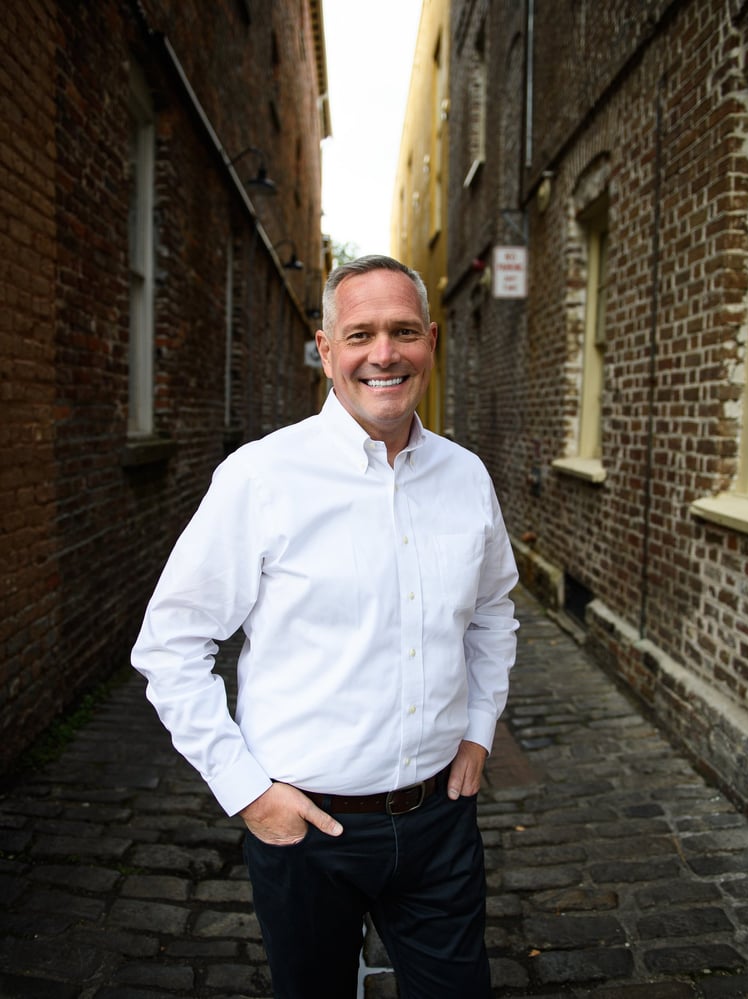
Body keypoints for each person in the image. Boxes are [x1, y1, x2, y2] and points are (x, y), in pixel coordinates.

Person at [131, 254, 519, 998]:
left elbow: (495, 608)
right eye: (361, 333)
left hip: (440, 822)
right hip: (309, 832)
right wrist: (247, 791)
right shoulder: (261, 477)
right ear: (326, 348)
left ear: (432, 341)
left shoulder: (467, 476)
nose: (384, 353)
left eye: (404, 331)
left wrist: (479, 725)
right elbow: (171, 645)